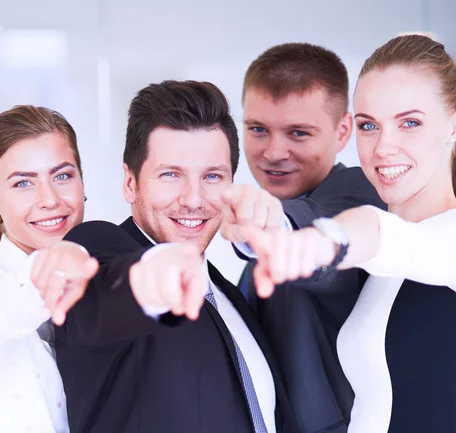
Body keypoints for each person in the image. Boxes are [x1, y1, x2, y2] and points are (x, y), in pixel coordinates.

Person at [236, 35, 456, 433]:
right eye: (369, 125)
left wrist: (321, 241)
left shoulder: (440, 239)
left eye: (410, 123)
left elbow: (375, 232)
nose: (383, 146)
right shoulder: (384, 269)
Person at [53, 80, 297, 433]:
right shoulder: (99, 247)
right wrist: (149, 278)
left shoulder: (230, 296)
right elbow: (101, 302)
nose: (194, 199)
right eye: (171, 175)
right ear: (130, 182)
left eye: (212, 176)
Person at [233, 43, 385, 433]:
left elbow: (320, 236)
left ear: (342, 131)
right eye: (258, 130)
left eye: (298, 133)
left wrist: (271, 231)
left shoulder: (361, 196)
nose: (273, 152)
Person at [0, 105, 98, 433]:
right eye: (24, 184)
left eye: (62, 175)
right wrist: (60, 263)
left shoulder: (101, 293)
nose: (50, 199)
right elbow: (2, 311)